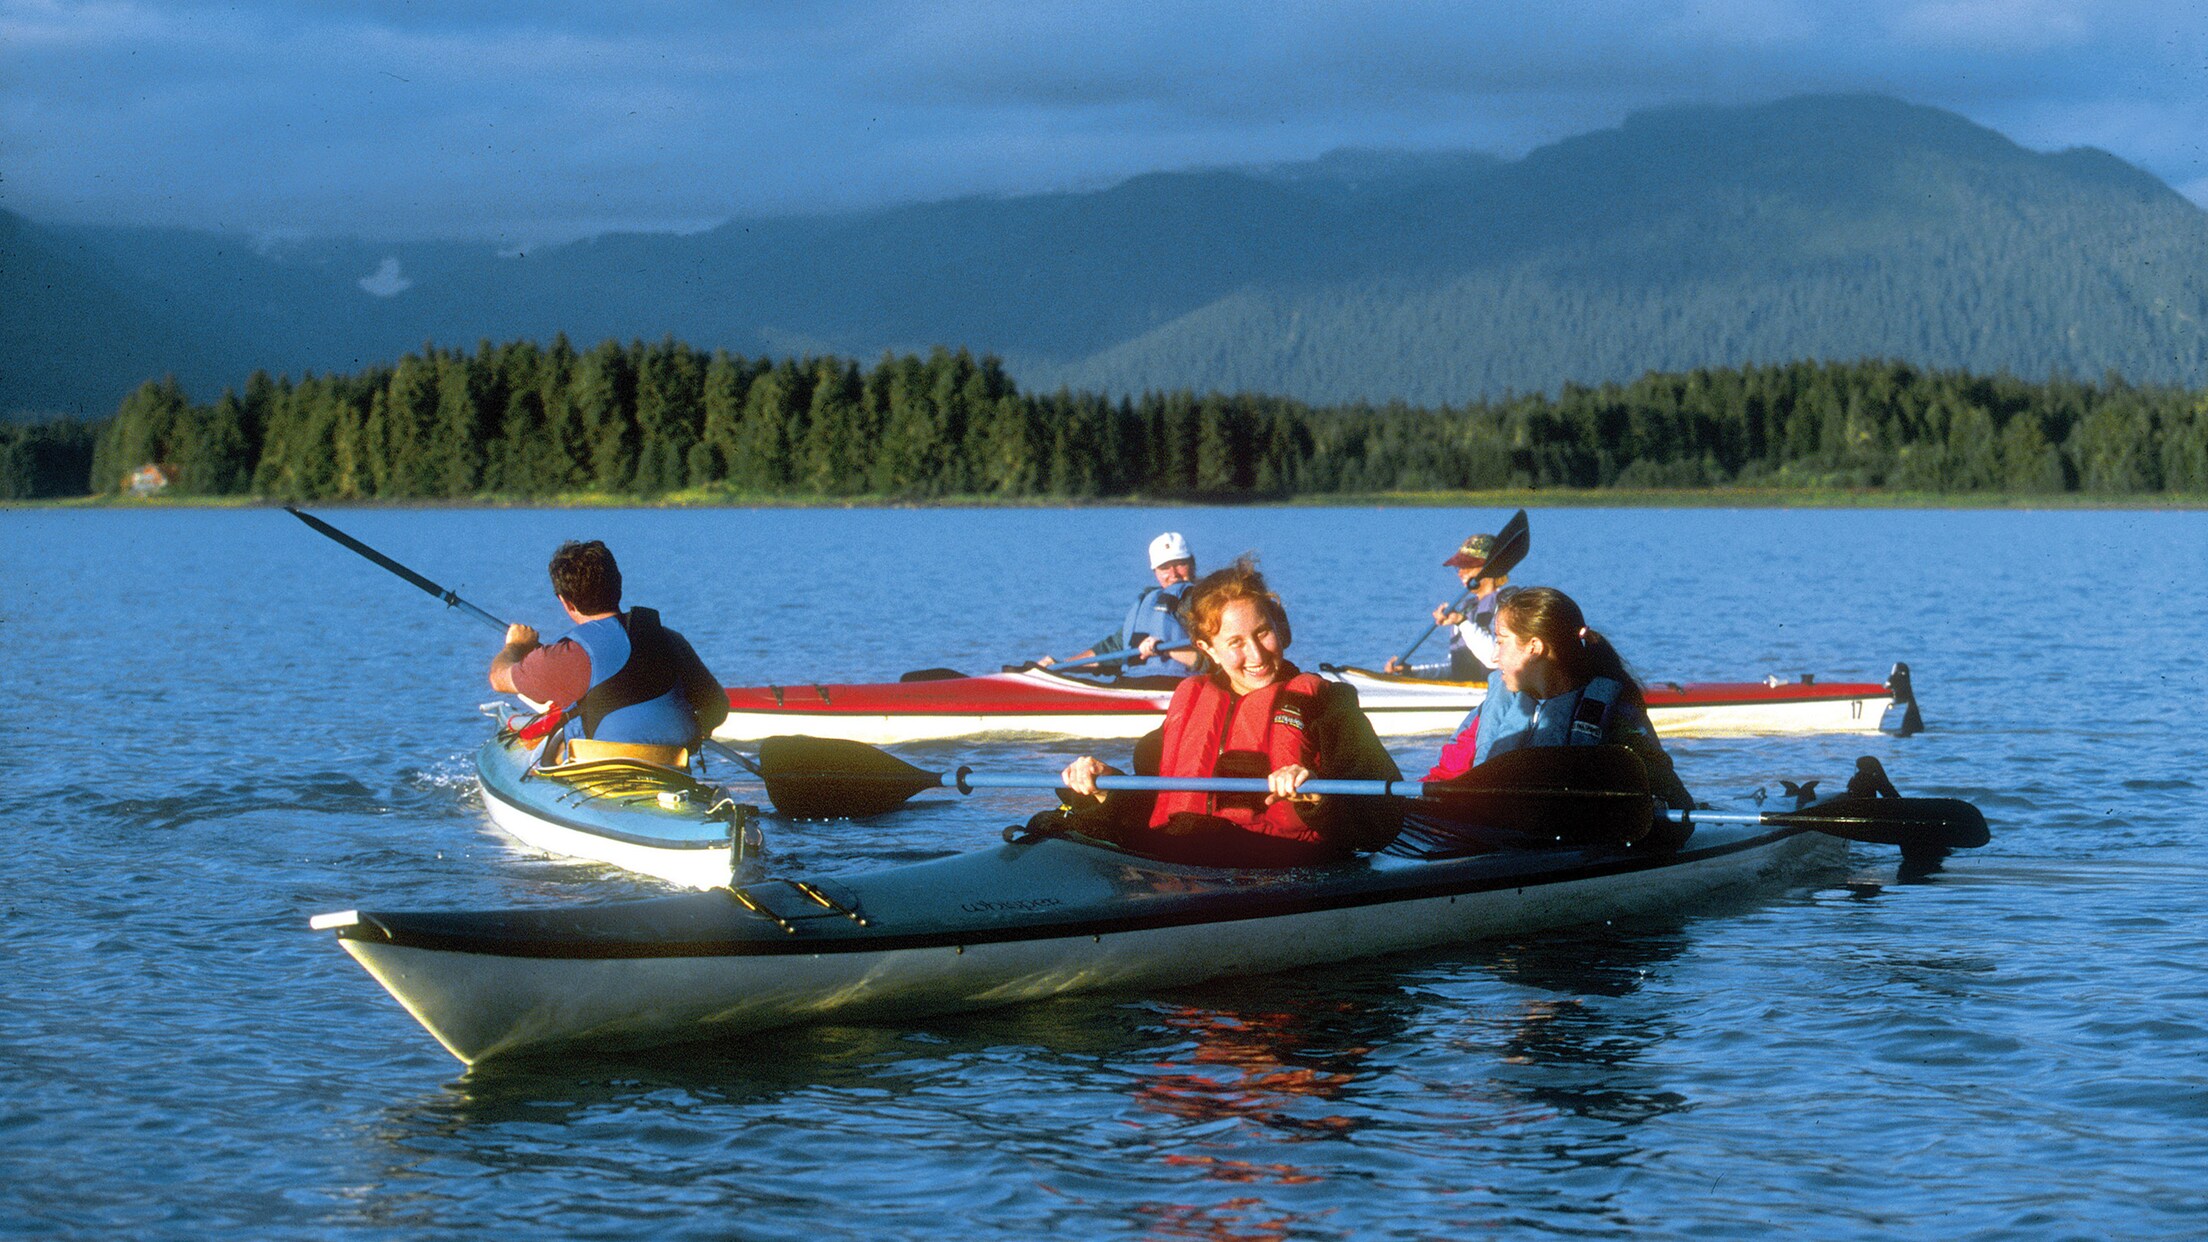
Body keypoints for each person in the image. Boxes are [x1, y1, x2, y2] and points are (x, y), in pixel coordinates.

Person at [1057, 558, 1403, 867]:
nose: (1256, 655)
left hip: (1283, 864)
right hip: (1186, 854)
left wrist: (1317, 794)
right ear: (1207, 648)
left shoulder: (1328, 705)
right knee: (1052, 827)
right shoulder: (1190, 700)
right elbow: (1151, 803)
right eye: (1235, 643)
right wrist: (1105, 783)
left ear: (1279, 628)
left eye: (1263, 633)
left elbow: (1383, 820)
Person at [1420, 586, 1693, 838]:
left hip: (1572, 843)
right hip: (1489, 835)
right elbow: (1443, 777)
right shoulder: (1490, 710)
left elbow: (1671, 799)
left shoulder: (1615, 714)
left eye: (1501, 641)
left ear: (1534, 648)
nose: (1494, 656)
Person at [488, 540, 729, 767]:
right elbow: (717, 707)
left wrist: (515, 645)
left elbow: (498, 679)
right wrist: (688, 734)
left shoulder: (565, 655)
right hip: (672, 768)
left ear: (566, 602)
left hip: (600, 773)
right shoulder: (671, 639)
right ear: (619, 584)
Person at [1035, 531, 1202, 681]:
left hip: (1181, 687)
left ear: (1192, 563)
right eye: (1164, 567)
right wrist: (1060, 666)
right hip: (1135, 682)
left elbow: (1214, 661)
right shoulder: (1148, 601)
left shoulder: (1202, 601)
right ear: (1155, 572)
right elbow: (1110, 651)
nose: (1173, 574)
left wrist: (1166, 650)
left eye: (1180, 564)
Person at [1385, 532, 1510, 680]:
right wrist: (1412, 672)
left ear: (1489, 568)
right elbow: (1456, 669)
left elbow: (1494, 660)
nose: (1460, 573)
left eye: (1467, 566)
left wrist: (1462, 622)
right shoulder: (1467, 608)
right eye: (1459, 568)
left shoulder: (1508, 605)